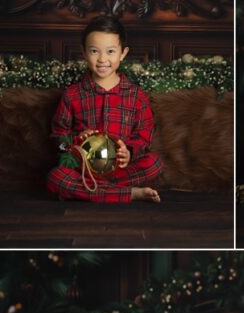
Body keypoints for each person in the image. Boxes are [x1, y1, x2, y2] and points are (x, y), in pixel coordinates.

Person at [46, 16, 162, 202]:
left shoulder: (136, 96)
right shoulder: (72, 94)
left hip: (121, 170)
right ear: (84, 52)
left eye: (110, 51)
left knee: (154, 163)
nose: (102, 59)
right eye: (94, 51)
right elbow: (58, 138)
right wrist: (76, 142)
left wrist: (129, 153)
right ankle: (130, 193)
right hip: (83, 169)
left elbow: (144, 136)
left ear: (123, 53)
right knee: (56, 177)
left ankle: (91, 191)